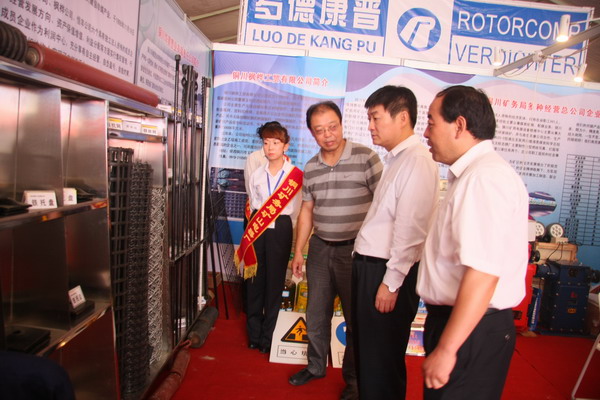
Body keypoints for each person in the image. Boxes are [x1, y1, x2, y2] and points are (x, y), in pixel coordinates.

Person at [417, 85, 529, 399]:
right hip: (464, 324)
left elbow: (483, 273)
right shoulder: (473, 175)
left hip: (471, 329)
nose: (426, 133)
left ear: (460, 125)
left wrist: (448, 348)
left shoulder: (484, 179)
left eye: (431, 122)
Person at [288, 101, 383, 400]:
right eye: (320, 130)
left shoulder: (366, 158)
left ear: (341, 124)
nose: (327, 135)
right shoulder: (311, 167)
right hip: (320, 249)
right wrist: (299, 251)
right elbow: (306, 210)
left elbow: (383, 204)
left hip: (355, 251)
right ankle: (315, 366)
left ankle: (354, 381)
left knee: (356, 320)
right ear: (312, 133)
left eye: (332, 127)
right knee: (315, 314)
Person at [352, 85, 439, 399]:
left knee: (382, 360)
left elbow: (410, 231)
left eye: (376, 118)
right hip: (373, 269)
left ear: (402, 117)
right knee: (369, 356)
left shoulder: (417, 161)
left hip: (385, 273)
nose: (370, 126)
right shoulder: (397, 160)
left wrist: (391, 283)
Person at [236, 121, 303, 354]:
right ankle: (254, 335)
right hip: (258, 227)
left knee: (275, 282)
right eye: (266, 142)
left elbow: (296, 210)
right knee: (255, 280)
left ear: (286, 145)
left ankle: (268, 337)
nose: (270, 147)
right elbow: (254, 204)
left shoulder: (295, 176)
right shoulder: (256, 175)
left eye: (275, 142)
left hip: (281, 228)